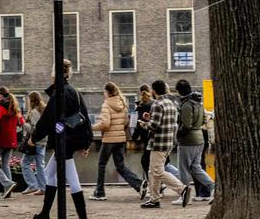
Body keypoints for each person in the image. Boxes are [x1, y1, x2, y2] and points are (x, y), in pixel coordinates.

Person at [30, 59, 93, 219]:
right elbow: (84, 116)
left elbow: (47, 120)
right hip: (72, 139)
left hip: (65, 141)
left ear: (54, 74)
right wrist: (87, 141)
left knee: (73, 181)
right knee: (51, 174)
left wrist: (34, 137)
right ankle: (44, 214)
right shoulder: (74, 91)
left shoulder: (60, 93)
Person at [139, 79, 191, 208]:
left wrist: (144, 123)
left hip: (158, 142)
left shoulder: (157, 104)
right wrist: (149, 118)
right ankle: (154, 199)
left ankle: (182, 189)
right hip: (169, 141)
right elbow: (165, 121)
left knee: (157, 171)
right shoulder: (170, 103)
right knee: (152, 171)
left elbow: (154, 126)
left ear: (154, 91)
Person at [91, 82, 143, 200]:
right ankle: (138, 184)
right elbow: (126, 123)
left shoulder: (106, 105)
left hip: (109, 139)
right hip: (120, 139)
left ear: (107, 92)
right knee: (120, 166)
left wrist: (92, 127)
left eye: (104, 92)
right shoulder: (122, 103)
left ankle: (99, 193)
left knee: (101, 165)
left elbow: (105, 124)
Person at [175, 79, 215, 204]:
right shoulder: (199, 103)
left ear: (179, 91)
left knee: (184, 169)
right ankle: (213, 186)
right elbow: (203, 119)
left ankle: (184, 195)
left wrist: (178, 134)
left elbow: (186, 125)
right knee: (196, 167)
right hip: (199, 138)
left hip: (188, 140)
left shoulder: (187, 105)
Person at [19, 91, 47, 195]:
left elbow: (35, 128)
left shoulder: (34, 112)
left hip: (35, 141)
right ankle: (43, 188)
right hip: (43, 141)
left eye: (27, 99)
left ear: (31, 100)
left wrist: (23, 124)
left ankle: (33, 185)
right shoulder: (43, 110)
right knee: (40, 164)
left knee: (25, 163)